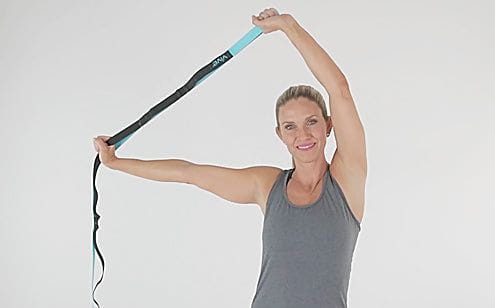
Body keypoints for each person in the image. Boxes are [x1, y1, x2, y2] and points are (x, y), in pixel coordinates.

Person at [93, 7, 366, 308]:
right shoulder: (267, 186)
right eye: (290, 127)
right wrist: (116, 163)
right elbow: (188, 172)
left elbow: (339, 89)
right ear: (280, 135)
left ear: (329, 126)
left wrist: (289, 27)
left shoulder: (346, 178)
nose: (302, 135)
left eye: (311, 122)